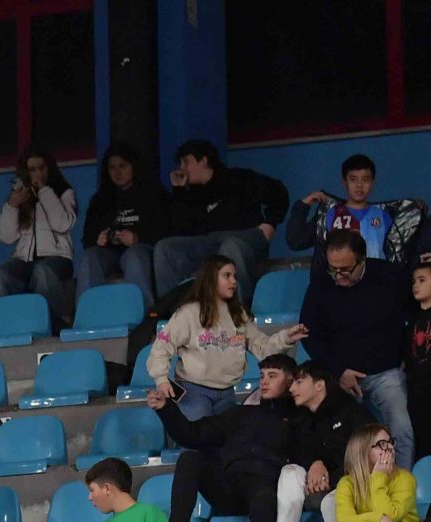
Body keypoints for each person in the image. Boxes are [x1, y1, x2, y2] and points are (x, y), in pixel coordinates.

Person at [148, 353, 300, 522]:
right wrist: (166, 408)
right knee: (190, 458)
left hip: (267, 490)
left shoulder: (299, 418)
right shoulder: (239, 413)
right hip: (230, 490)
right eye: (262, 376)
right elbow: (191, 434)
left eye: (272, 376)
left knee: (263, 494)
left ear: (290, 381)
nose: (264, 382)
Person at [298, 231, 415, 467]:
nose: (338, 275)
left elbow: (414, 316)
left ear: (362, 260)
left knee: (402, 429)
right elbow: (309, 336)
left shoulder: (390, 276)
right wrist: (339, 371)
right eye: (333, 269)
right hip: (339, 378)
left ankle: (402, 485)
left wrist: (407, 355)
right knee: (338, 437)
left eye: (345, 269)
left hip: (386, 373)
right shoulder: (320, 285)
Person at [146, 255, 307, 421]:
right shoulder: (188, 313)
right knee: (197, 436)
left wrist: (286, 338)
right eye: (227, 275)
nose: (233, 281)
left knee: (227, 437)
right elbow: (161, 347)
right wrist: (161, 379)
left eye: (234, 276)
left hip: (228, 392)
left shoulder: (238, 313)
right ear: (210, 278)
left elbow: (262, 348)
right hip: (193, 393)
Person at [154, 140, 289, 303]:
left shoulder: (238, 178)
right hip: (209, 243)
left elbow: (279, 191)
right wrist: (179, 191)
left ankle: (237, 311)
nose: (182, 168)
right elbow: (180, 231)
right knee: (165, 248)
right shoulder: (191, 194)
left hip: (245, 236)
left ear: (203, 161)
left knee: (230, 246)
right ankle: (176, 313)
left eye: (186, 162)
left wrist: (270, 223)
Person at [266, 361, 374, 522]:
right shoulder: (299, 417)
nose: (292, 389)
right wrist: (314, 463)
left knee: (331, 501)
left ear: (319, 385)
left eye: (299, 382)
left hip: (349, 482)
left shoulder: (350, 411)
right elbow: (296, 451)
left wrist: (328, 478)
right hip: (316, 485)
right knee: (290, 471)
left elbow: (365, 455)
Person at [285, 153, 428, 267]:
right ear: (344, 182)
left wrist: (413, 210)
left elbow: (404, 253)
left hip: (376, 286)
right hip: (337, 288)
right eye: (353, 179)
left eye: (365, 180)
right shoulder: (330, 214)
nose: (359, 185)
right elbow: (295, 241)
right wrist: (303, 205)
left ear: (373, 183)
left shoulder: (385, 215)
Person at [0, 146, 79, 327]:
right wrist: (11, 205)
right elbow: (6, 237)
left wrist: (44, 191)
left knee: (43, 272)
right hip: (25, 259)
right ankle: (8, 326)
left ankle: (50, 325)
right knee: (1, 275)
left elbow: (62, 224)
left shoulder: (64, 193)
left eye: (42, 168)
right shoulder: (22, 197)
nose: (38, 173)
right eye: (32, 169)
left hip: (58, 258)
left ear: (50, 168)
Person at [77, 143, 169, 309]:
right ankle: (88, 312)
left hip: (141, 249)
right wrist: (98, 239)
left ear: (133, 166)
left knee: (134, 255)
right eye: (112, 167)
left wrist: (138, 238)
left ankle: (142, 312)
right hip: (109, 253)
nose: (117, 172)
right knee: (90, 257)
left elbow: (165, 230)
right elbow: (87, 237)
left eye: (122, 166)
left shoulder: (152, 194)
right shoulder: (100, 199)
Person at [406, 264, 431, 461]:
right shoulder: (412, 319)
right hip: (417, 390)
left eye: (422, 280)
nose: (416, 285)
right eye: (414, 281)